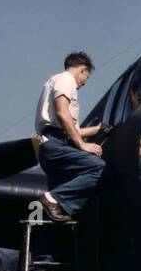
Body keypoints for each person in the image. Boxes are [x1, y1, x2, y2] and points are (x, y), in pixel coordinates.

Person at [35, 51, 106, 223]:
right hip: (55, 143)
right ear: (82, 70)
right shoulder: (66, 80)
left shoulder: (54, 81)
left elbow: (69, 127)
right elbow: (62, 113)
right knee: (98, 168)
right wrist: (82, 145)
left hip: (53, 141)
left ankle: (56, 205)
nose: (83, 84)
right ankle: (53, 199)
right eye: (86, 78)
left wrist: (97, 129)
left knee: (56, 217)